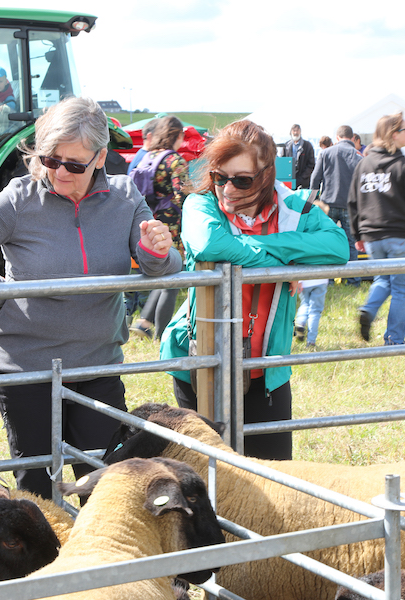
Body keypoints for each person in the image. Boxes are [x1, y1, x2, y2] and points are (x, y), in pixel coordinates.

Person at [0, 97, 181, 498]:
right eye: (50, 159)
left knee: (107, 487)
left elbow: (162, 266)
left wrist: (158, 251)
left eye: (75, 164)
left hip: (97, 366)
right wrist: (1, 294)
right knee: (38, 489)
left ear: (101, 157)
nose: (60, 172)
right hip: (26, 369)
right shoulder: (19, 198)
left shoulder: (125, 196)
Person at [159, 120, 349, 460]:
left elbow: (337, 247)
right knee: (207, 471)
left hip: (266, 369)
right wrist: (283, 261)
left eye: (242, 180)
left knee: (273, 476)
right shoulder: (200, 203)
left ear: (266, 174)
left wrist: (258, 249)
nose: (228, 188)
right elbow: (210, 244)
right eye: (220, 176)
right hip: (200, 362)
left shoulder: (295, 208)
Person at [348, 112, 405, 346]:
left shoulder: (363, 164)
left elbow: (352, 201)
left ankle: (368, 309)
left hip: (371, 236)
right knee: (400, 289)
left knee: (382, 279)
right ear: (394, 135)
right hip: (400, 235)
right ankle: (395, 339)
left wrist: (357, 234)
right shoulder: (403, 164)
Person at [129, 116, 189, 341]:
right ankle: (161, 335)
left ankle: (144, 321)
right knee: (172, 280)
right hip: (171, 227)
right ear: (178, 135)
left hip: (149, 223)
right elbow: (183, 196)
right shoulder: (175, 161)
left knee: (161, 275)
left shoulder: (148, 156)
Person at [310, 125, 363, 285]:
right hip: (350, 205)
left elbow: (315, 179)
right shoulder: (358, 156)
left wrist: (311, 201)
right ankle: (352, 279)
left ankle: (328, 279)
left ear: (337, 138)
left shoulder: (325, 153)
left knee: (327, 241)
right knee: (351, 243)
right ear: (352, 138)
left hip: (328, 205)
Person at [294, 278, 329, 349]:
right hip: (321, 281)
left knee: (304, 304)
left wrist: (299, 281)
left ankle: (300, 322)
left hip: (305, 282)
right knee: (315, 311)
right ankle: (311, 341)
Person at [281, 124, 316, 190]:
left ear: (300, 132)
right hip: (288, 182)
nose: (295, 132)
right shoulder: (286, 146)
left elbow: (311, 164)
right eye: (294, 130)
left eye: (297, 130)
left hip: (303, 183)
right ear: (291, 132)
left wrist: (302, 178)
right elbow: (282, 163)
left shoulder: (307, 146)